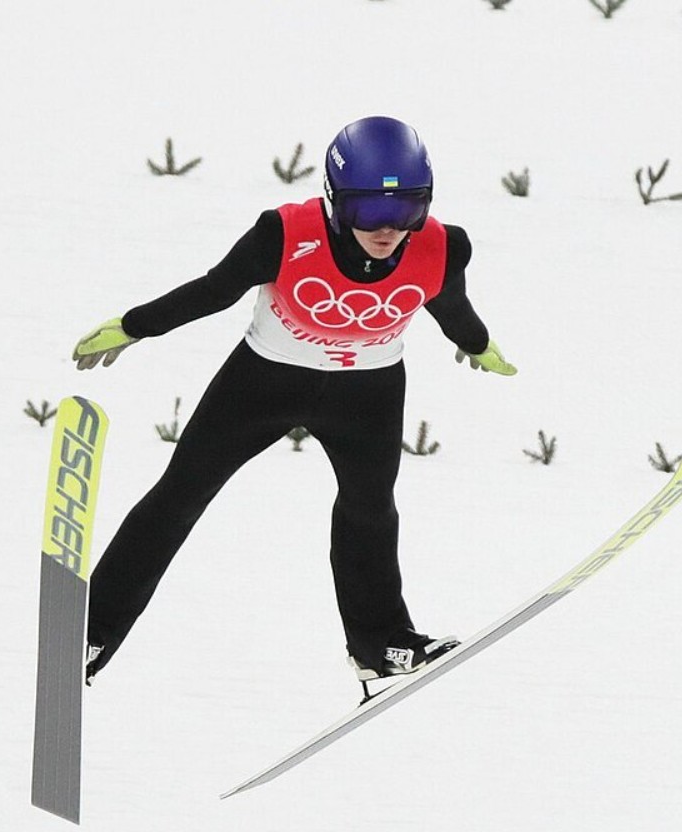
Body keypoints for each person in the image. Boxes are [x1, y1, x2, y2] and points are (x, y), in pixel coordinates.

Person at [71, 115, 517, 692]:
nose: (387, 230)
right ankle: (91, 632)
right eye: (367, 211)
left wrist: (475, 342)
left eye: (407, 209)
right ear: (334, 199)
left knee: (370, 510)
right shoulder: (283, 234)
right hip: (262, 382)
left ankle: (381, 644)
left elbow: (448, 304)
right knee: (179, 496)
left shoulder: (443, 246)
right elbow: (214, 291)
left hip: (369, 392)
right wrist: (134, 326)